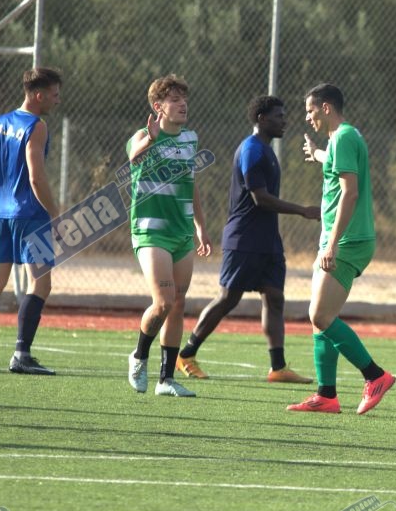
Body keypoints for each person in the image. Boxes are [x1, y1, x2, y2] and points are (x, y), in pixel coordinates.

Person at [178, 96, 321, 383]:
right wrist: (303, 210)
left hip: (268, 241)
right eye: (279, 116)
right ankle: (186, 354)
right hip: (244, 239)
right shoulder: (252, 150)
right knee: (228, 298)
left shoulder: (267, 150)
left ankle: (278, 367)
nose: (284, 120)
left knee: (275, 298)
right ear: (261, 119)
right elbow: (260, 198)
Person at [286, 83, 396, 415]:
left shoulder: (344, 137)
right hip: (340, 239)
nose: (308, 118)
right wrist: (317, 153)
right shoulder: (341, 138)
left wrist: (332, 244)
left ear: (326, 108)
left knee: (320, 315)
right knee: (321, 319)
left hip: (348, 241)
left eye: (310, 111)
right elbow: (335, 162)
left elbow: (350, 192)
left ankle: (375, 376)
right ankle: (326, 395)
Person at [126, 74, 211, 397]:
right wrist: (150, 138)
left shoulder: (190, 139)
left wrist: (200, 226)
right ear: (158, 106)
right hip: (150, 231)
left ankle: (166, 380)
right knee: (163, 302)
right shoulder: (142, 135)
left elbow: (191, 184)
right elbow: (134, 156)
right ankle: (138, 357)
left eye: (184, 99)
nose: (182, 105)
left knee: (177, 304)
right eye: (174, 100)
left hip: (181, 232)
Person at [0, 67, 61, 375]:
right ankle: (21, 354)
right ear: (38, 96)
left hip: (0, 214)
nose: (57, 100)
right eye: (53, 95)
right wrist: (55, 213)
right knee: (41, 283)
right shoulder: (36, 126)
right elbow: (36, 177)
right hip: (29, 215)